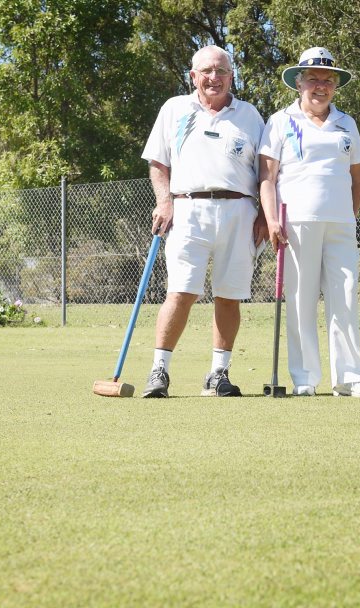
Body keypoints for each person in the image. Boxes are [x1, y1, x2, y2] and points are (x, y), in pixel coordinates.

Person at [140, 45, 266, 398]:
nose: (214, 77)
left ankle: (217, 374)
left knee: (229, 295)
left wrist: (265, 216)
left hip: (240, 211)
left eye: (222, 71)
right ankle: (159, 371)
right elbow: (158, 162)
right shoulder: (174, 109)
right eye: (206, 71)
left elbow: (267, 171)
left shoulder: (250, 115)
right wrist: (163, 201)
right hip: (187, 209)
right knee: (181, 291)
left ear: (231, 76)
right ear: (193, 76)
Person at [258, 47, 360, 398]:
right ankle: (304, 378)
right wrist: (271, 219)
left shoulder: (347, 123)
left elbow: (358, 177)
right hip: (295, 223)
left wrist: (350, 216)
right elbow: (267, 177)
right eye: (313, 79)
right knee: (300, 301)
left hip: (340, 223)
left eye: (328, 80)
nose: (320, 86)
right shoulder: (280, 120)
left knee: (345, 298)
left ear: (335, 86)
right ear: (299, 83)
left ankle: (350, 378)